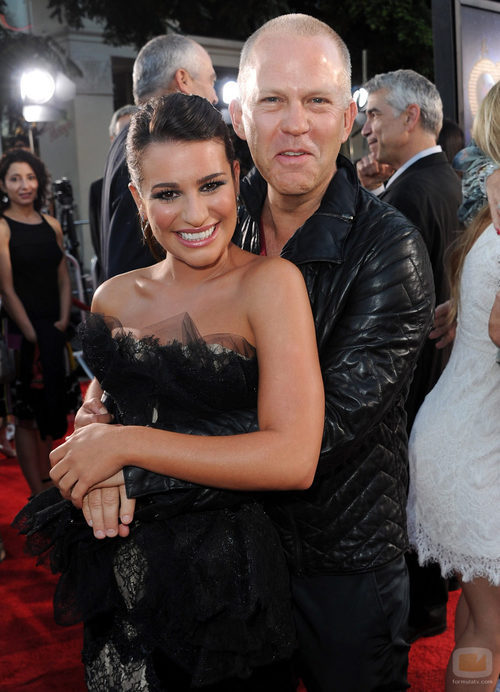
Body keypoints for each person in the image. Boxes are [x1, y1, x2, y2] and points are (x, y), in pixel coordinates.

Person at [61, 14, 434, 690]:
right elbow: (154, 340)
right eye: (272, 100)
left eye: (317, 100)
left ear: (348, 119)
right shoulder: (215, 205)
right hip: (221, 559)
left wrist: (128, 451)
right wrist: (101, 412)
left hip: (336, 557)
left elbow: (316, 435)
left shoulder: (390, 251)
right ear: (238, 116)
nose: (295, 124)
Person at [17, 93, 324, 690]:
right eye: (167, 193)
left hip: (227, 584)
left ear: (236, 176)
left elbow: (293, 458)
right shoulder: (113, 297)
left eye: (210, 185)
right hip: (122, 572)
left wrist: (125, 447)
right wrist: (94, 430)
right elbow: (105, 401)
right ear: (138, 199)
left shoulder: (271, 284)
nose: (194, 213)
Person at [358, 68, 462, 641]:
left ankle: (419, 605)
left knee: (410, 497)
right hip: (440, 375)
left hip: (413, 377)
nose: (366, 128)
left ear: (411, 117)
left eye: (374, 114)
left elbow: (396, 306)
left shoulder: (410, 194)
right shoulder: (445, 181)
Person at [408, 80, 500, 692]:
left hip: (462, 437)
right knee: (491, 633)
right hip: (475, 453)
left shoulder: (492, 202)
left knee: (477, 622)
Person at [99, 33, 218, 282]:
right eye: (211, 80)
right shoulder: (145, 146)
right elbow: (128, 264)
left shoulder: (128, 141)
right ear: (183, 79)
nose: (215, 96)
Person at [0, 149, 71, 496]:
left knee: (52, 408)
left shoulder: (51, 224)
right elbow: (6, 289)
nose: (23, 185)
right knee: (27, 417)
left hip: (52, 331)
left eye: (29, 177)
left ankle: (50, 482)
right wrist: (30, 332)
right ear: (3, 185)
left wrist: (62, 320)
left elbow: (63, 277)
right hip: (21, 335)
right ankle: (37, 493)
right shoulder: (2, 228)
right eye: (15, 178)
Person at [88, 105, 139, 278]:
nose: (129, 139)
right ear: (113, 139)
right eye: (123, 133)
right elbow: (100, 243)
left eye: (133, 131)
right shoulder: (98, 189)